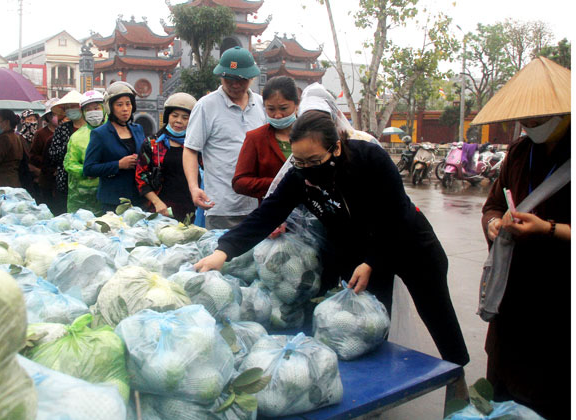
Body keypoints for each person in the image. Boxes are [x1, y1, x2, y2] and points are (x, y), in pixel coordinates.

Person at [196, 110, 470, 392]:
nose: (306, 168)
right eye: (299, 161)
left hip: (409, 243)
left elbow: (396, 214)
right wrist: (223, 251)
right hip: (360, 253)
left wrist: (371, 261)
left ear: (336, 147)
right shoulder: (300, 177)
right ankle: (377, 390)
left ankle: (458, 378)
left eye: (314, 161)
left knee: (437, 312)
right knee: (368, 322)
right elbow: (265, 216)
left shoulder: (370, 159)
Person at [477, 57, 570, 419]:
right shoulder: (518, 150)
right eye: (526, 121)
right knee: (504, 381)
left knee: (551, 386)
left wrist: (547, 228)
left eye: (540, 121)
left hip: (560, 296)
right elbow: (492, 204)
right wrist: (494, 223)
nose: (532, 127)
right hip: (513, 290)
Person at [183, 46, 266, 230]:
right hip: (221, 206)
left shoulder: (261, 105)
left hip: (259, 204)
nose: (235, 84)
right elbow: (190, 149)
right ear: (221, 76)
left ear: (251, 78)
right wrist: (194, 187)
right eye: (229, 78)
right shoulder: (206, 106)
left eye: (241, 79)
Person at [232, 76, 299, 202]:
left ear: (296, 104)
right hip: (273, 214)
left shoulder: (312, 134)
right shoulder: (256, 138)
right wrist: (276, 183)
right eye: (271, 109)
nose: (278, 115)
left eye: (284, 108)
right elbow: (239, 183)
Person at [84, 81, 145, 213]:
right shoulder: (100, 134)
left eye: (128, 104)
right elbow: (89, 169)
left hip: (139, 197)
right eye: (119, 105)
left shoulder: (138, 129)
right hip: (113, 201)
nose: (125, 109)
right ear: (110, 107)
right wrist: (118, 165)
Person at [136, 92, 197, 222]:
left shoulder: (196, 145)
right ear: (167, 116)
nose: (179, 121)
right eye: (174, 116)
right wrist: (157, 203)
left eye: (185, 117)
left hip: (191, 208)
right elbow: (141, 177)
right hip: (161, 209)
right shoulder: (152, 144)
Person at [63, 90, 106, 214]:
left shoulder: (115, 132)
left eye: (96, 108)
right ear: (83, 112)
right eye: (88, 109)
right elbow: (69, 164)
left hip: (108, 194)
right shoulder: (77, 137)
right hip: (82, 197)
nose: (93, 112)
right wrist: (87, 171)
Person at [47, 90, 84, 215]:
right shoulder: (62, 129)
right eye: (67, 108)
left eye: (72, 106)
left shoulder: (92, 129)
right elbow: (53, 154)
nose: (69, 110)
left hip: (88, 180)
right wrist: (69, 146)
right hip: (65, 180)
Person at [30, 99, 60, 205]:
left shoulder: (65, 132)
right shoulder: (41, 134)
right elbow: (33, 156)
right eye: (55, 114)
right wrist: (49, 164)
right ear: (48, 116)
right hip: (47, 178)